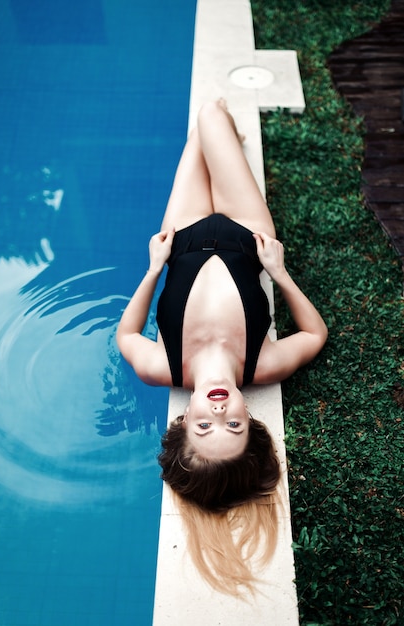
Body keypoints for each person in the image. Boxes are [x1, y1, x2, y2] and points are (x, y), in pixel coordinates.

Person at [116, 99, 328, 594]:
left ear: (182, 420)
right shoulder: (263, 365)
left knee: (200, 132)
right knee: (212, 116)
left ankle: (215, 144)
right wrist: (278, 271)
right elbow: (315, 335)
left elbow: (127, 336)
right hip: (245, 232)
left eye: (203, 427)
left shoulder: (164, 368)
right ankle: (223, 138)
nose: (218, 412)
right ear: (249, 420)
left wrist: (153, 268)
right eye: (232, 425)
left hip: (183, 236)